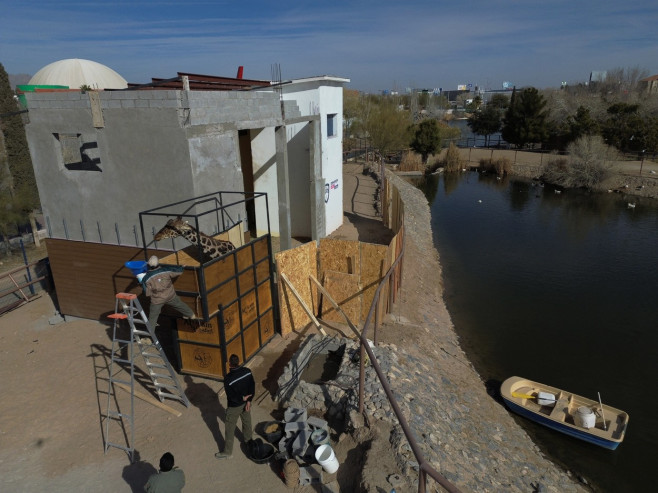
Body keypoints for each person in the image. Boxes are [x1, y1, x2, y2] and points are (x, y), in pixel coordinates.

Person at [215, 354, 255, 459]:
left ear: (229, 364)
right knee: (247, 422)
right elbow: (252, 386)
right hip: (246, 404)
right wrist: (248, 401)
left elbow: (231, 396)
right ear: (239, 361)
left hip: (234, 406)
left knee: (229, 428)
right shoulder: (247, 371)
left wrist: (242, 398)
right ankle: (248, 442)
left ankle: (228, 452)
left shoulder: (228, 379)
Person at [141, 256, 197, 328]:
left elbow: (147, 293)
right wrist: (182, 267)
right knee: (179, 304)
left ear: (149, 265)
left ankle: (149, 337)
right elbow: (177, 271)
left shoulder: (146, 278)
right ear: (158, 263)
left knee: (153, 316)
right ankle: (191, 315)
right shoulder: (165, 270)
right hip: (170, 295)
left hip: (157, 299)